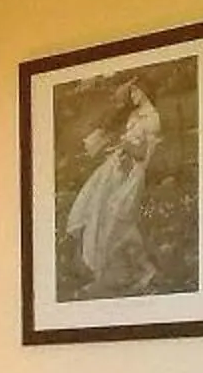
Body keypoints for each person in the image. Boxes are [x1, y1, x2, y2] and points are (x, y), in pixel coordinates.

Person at [64, 85, 161, 296]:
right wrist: (119, 145)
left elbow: (145, 154)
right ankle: (112, 272)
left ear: (146, 91)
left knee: (119, 220)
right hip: (116, 168)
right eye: (132, 92)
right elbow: (123, 137)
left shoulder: (152, 118)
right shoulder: (135, 115)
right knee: (95, 209)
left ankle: (141, 270)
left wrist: (126, 146)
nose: (133, 96)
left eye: (136, 91)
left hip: (132, 174)